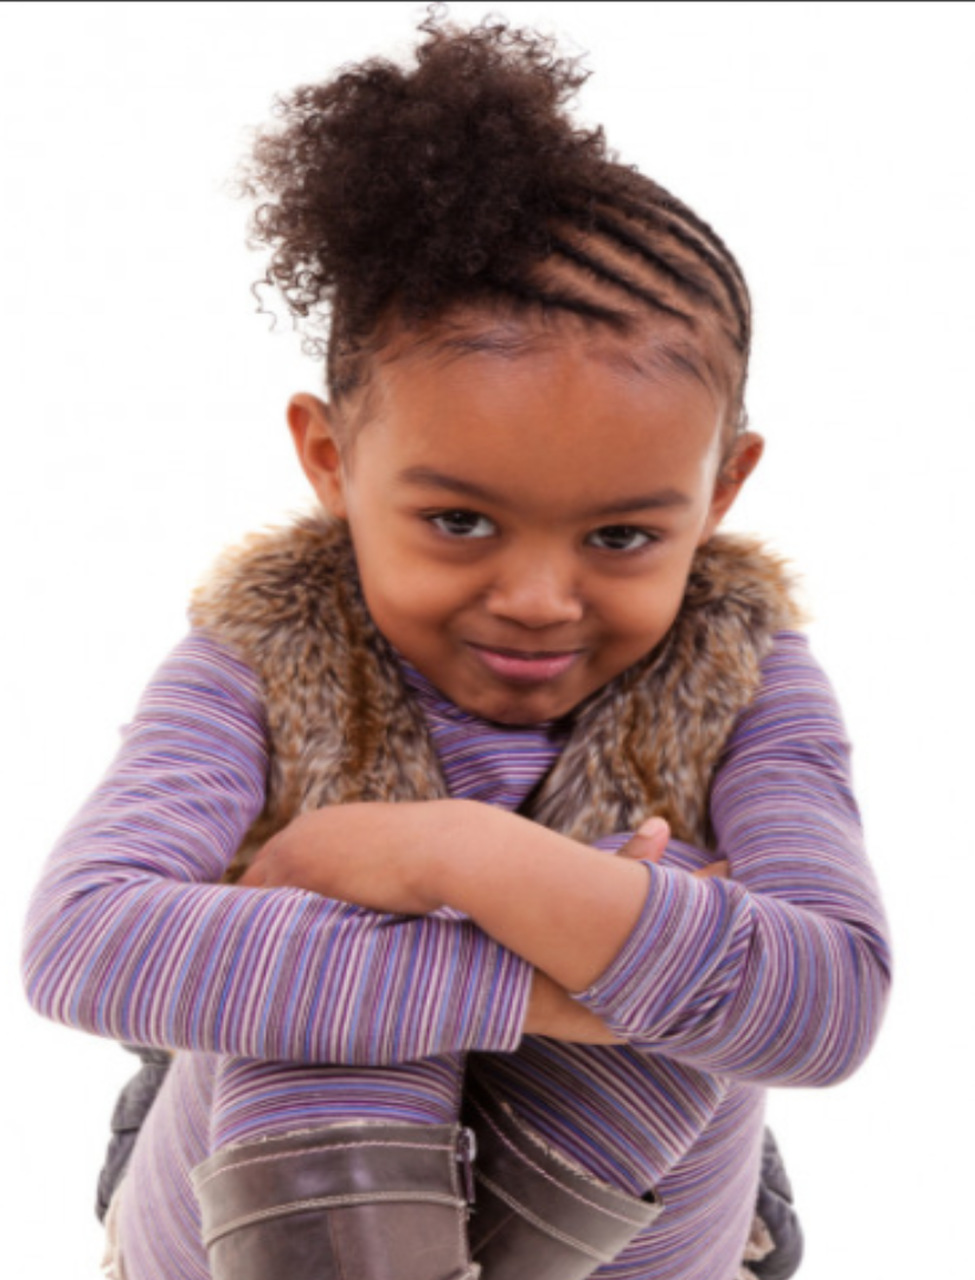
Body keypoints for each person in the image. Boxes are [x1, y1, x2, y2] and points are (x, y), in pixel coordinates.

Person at [21, 12, 891, 1280]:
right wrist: (567, 975)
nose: (540, 597)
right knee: (407, 981)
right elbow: (83, 940)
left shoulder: (752, 684)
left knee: (693, 952)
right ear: (331, 457)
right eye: (460, 519)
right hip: (259, 1201)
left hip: (624, 1225)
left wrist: (448, 847)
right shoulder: (256, 661)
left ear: (719, 491)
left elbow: (830, 1007)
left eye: (621, 534)